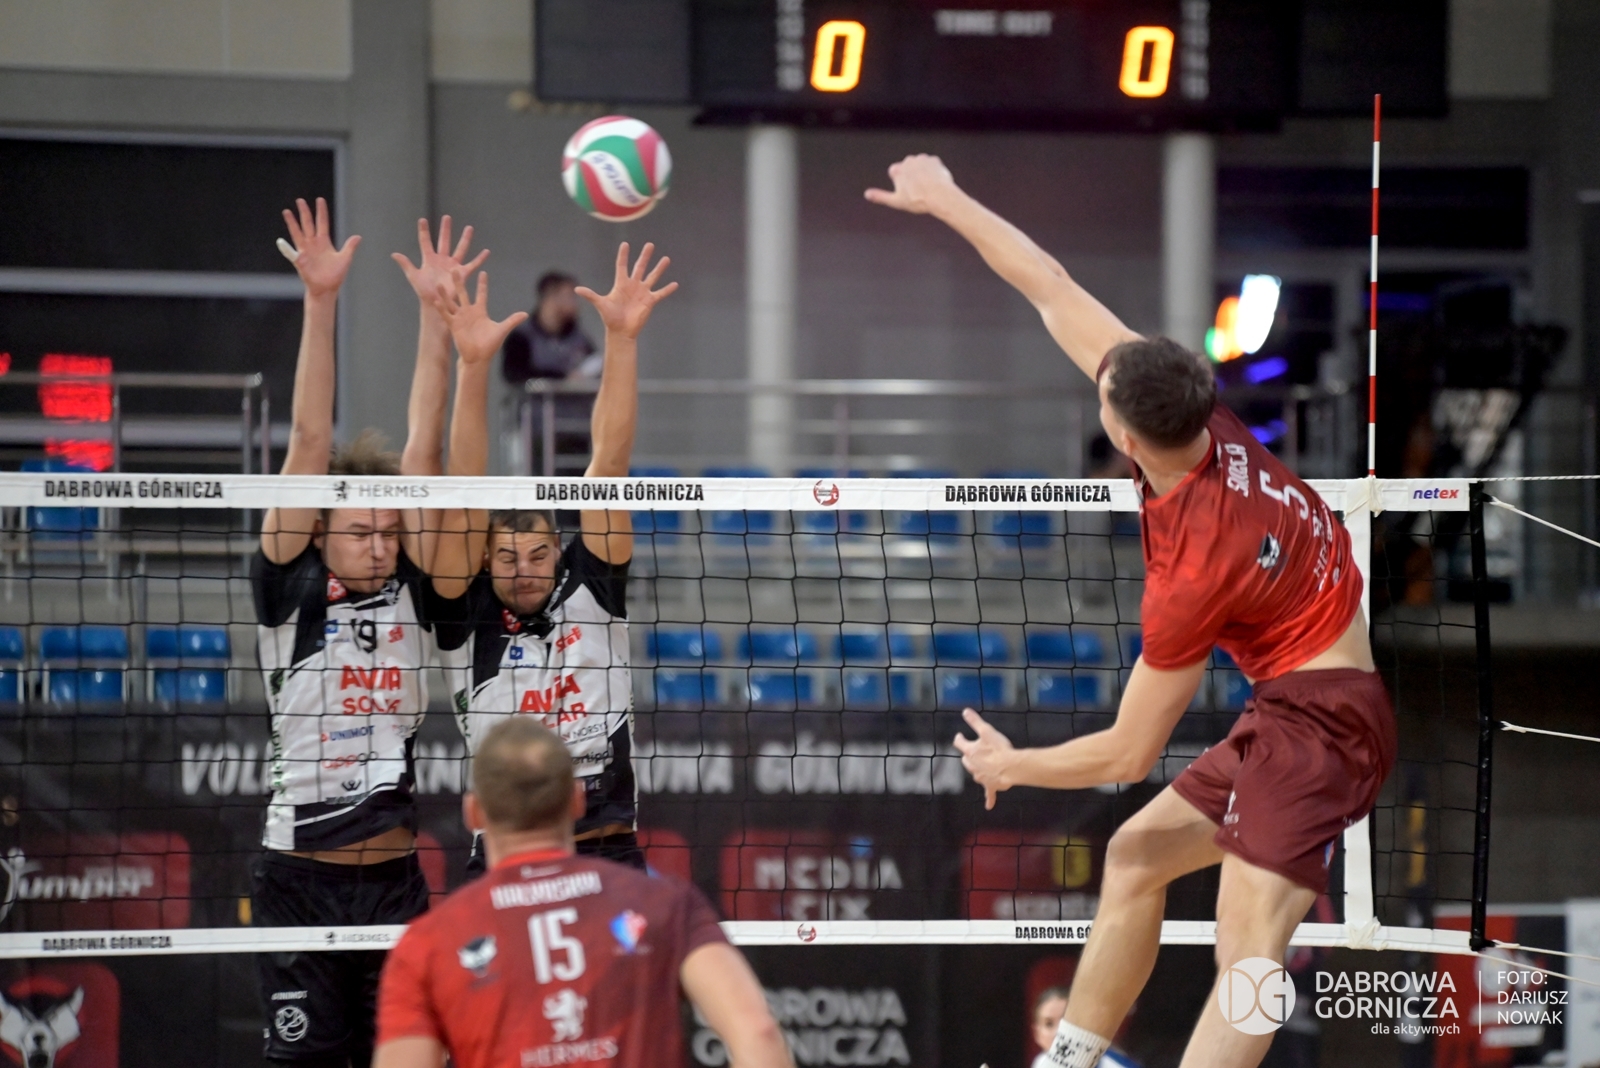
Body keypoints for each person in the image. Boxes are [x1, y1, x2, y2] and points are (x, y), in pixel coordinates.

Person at [866, 155, 1395, 1068]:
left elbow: (1127, 753)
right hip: (1293, 709)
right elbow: (1050, 284)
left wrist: (1014, 764)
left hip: (1326, 728)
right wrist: (947, 200)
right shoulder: (1205, 417)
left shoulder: (1194, 566)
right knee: (1136, 855)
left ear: (1119, 434)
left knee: (1248, 954)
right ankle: (1073, 1060)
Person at [252, 199, 494, 1068]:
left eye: (389, 531)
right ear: (322, 531)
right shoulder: (290, 584)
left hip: (393, 884)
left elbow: (427, 454)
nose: (381, 544)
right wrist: (321, 301)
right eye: (362, 531)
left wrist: (438, 321)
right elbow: (309, 439)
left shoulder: (413, 590)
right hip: (298, 879)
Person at [422, 242, 676, 873]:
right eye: (507, 557)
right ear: (485, 561)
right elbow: (463, 490)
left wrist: (621, 340)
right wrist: (473, 366)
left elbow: (607, 467)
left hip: (605, 850)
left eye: (538, 554)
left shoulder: (591, 588)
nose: (523, 569)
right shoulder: (464, 617)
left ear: (558, 552)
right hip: (506, 859)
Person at [372, 717, 792, 1068]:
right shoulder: (664, 903)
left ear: (474, 813)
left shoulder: (427, 944)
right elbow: (758, 1032)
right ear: (576, 801)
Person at [502, 271, 601, 475]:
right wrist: (561, 378)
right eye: (569, 297)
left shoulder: (580, 338)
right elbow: (513, 374)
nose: (574, 304)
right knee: (539, 482)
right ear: (550, 297)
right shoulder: (522, 337)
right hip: (537, 429)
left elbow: (595, 366)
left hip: (575, 429)